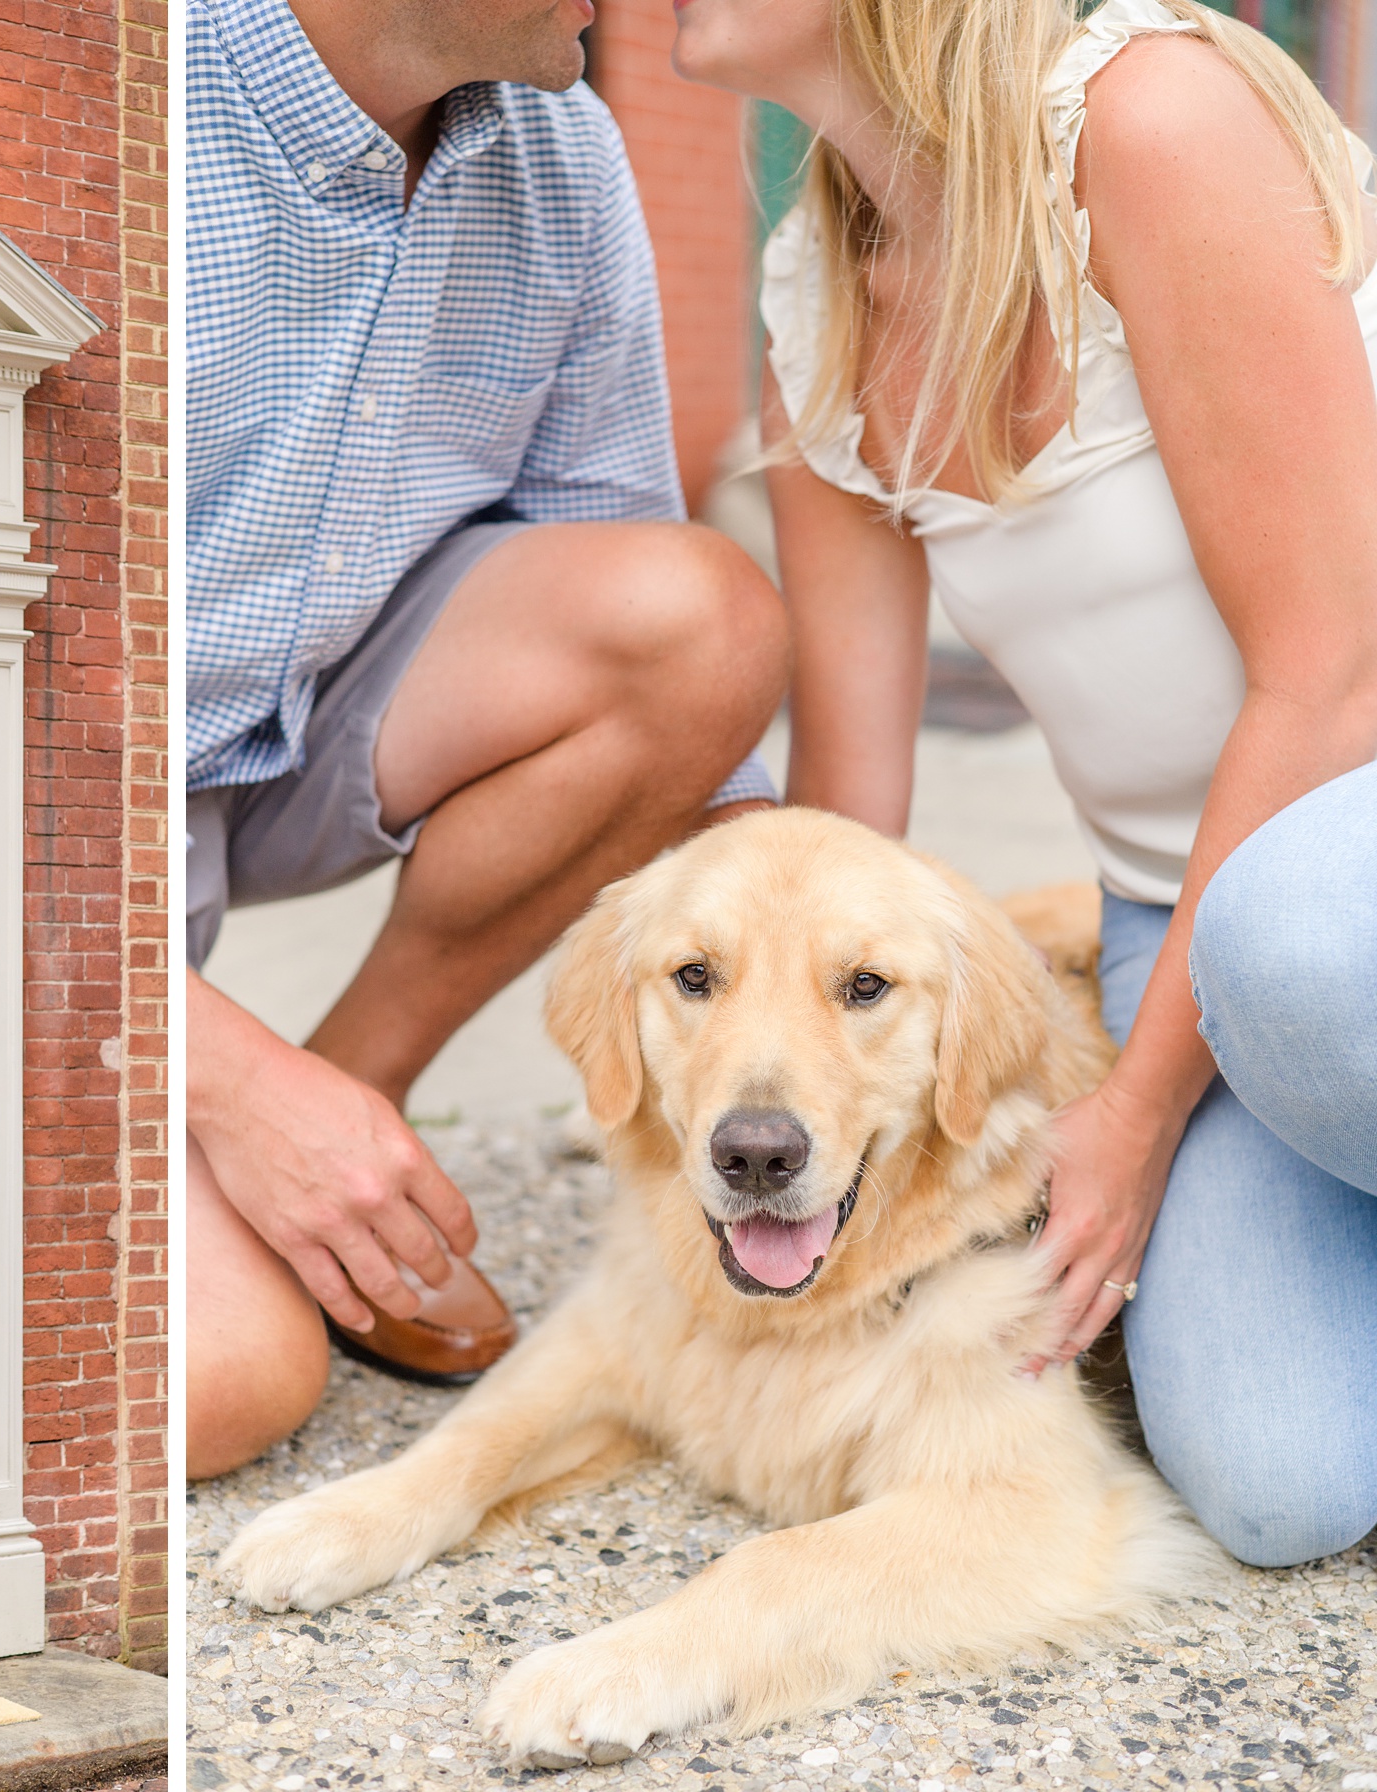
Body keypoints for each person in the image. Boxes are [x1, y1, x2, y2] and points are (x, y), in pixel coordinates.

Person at [681, 0, 1377, 1561]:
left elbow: (1335, 678)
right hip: (1181, 906)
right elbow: (849, 831)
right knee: (1278, 1487)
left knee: (1308, 954)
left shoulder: (1150, 123)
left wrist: (1133, 1114)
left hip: (1335, 870)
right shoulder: (819, 295)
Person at [184, 0, 790, 1478]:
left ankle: (354, 1095)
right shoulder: (131, 100)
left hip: (312, 729)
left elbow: (643, 651)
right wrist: (211, 1070)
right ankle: (247, 1117)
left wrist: (821, 995)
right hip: (45, 803)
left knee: (698, 617)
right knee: (230, 1383)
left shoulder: (563, 154)